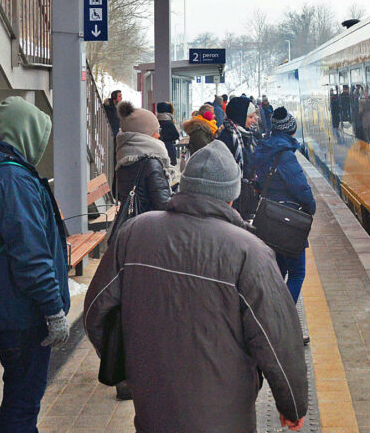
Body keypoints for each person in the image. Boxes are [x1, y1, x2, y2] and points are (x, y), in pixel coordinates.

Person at [84, 142, 308, 433]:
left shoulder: (134, 233)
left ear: (185, 186)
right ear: (231, 197)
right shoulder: (249, 251)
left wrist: (129, 366)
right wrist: (292, 405)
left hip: (153, 409)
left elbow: (94, 313)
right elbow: (278, 339)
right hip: (226, 416)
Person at [0, 96, 70, 432]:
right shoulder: (13, 179)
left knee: (18, 394)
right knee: (23, 406)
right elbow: (32, 257)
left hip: (1, 303)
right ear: (24, 134)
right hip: (23, 312)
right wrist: (54, 311)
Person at [252, 107, 316, 310]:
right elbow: (301, 188)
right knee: (297, 273)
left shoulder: (263, 149)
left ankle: (271, 314)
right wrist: (310, 207)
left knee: (279, 270)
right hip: (287, 221)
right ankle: (283, 318)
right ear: (291, 131)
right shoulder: (285, 155)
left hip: (268, 217)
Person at [114, 101, 173, 215]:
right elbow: (163, 204)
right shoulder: (151, 162)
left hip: (130, 222)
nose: (159, 135)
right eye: (156, 131)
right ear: (146, 133)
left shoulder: (124, 156)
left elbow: (115, 191)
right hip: (149, 225)